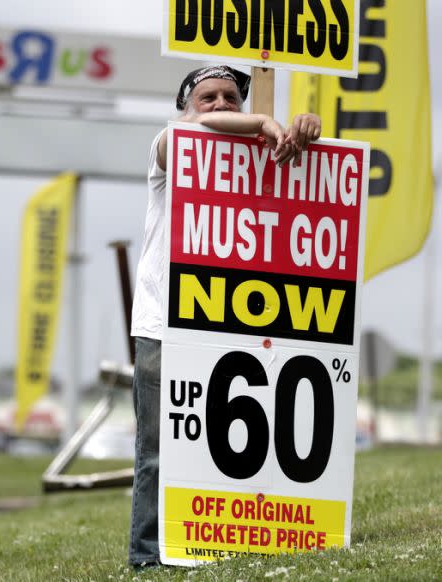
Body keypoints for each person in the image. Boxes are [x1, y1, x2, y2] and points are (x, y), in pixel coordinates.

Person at [127, 65, 322, 568]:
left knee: (233, 442)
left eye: (230, 98)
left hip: (232, 328)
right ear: (187, 108)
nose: (219, 105)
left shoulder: (265, 155)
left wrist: (302, 128)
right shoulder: (170, 145)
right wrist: (261, 122)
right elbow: (185, 135)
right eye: (207, 97)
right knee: (157, 450)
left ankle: (232, 542)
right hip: (163, 325)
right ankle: (150, 557)